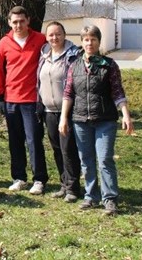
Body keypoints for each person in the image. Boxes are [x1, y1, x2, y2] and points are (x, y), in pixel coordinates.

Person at [59, 25, 134, 215]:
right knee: (86, 159)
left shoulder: (108, 65)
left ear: (99, 42)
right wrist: (63, 118)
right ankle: (90, 196)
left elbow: (118, 91)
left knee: (105, 159)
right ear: (82, 42)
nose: (89, 43)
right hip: (80, 120)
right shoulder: (74, 65)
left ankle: (109, 199)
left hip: (105, 120)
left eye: (93, 39)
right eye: (86, 39)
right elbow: (68, 93)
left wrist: (125, 114)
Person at [0, 5, 48, 195]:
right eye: (14, 22)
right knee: (15, 141)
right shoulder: (4, 43)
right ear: (9, 23)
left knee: (34, 140)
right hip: (11, 100)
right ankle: (19, 177)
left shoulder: (41, 40)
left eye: (21, 21)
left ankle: (39, 179)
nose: (18, 25)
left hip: (32, 100)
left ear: (28, 21)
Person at [37, 21, 81, 202]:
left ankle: (73, 188)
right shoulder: (44, 56)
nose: (54, 38)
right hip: (49, 110)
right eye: (51, 35)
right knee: (56, 148)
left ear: (64, 35)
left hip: (67, 111)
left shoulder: (73, 56)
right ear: (46, 37)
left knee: (68, 149)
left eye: (58, 34)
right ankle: (63, 184)